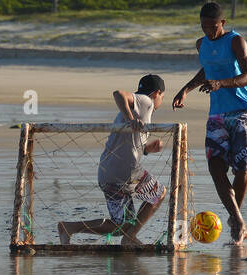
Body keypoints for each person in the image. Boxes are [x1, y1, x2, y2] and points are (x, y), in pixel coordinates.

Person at [172, 2, 247, 243]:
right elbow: (207, 70)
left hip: (241, 112)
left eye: (213, 27)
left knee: (242, 169)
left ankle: (235, 218)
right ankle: (239, 221)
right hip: (217, 116)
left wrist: (222, 83)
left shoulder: (236, 41)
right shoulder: (201, 44)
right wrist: (186, 89)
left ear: (223, 23)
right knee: (215, 167)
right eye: (204, 27)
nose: (209, 32)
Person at [58, 75, 167, 246]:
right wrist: (131, 119)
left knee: (122, 225)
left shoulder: (138, 110)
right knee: (158, 193)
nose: (161, 101)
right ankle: (130, 238)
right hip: (125, 173)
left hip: (108, 173)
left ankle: (69, 227)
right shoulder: (147, 101)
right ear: (157, 93)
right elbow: (118, 94)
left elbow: (129, 146)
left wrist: (146, 149)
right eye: (162, 97)